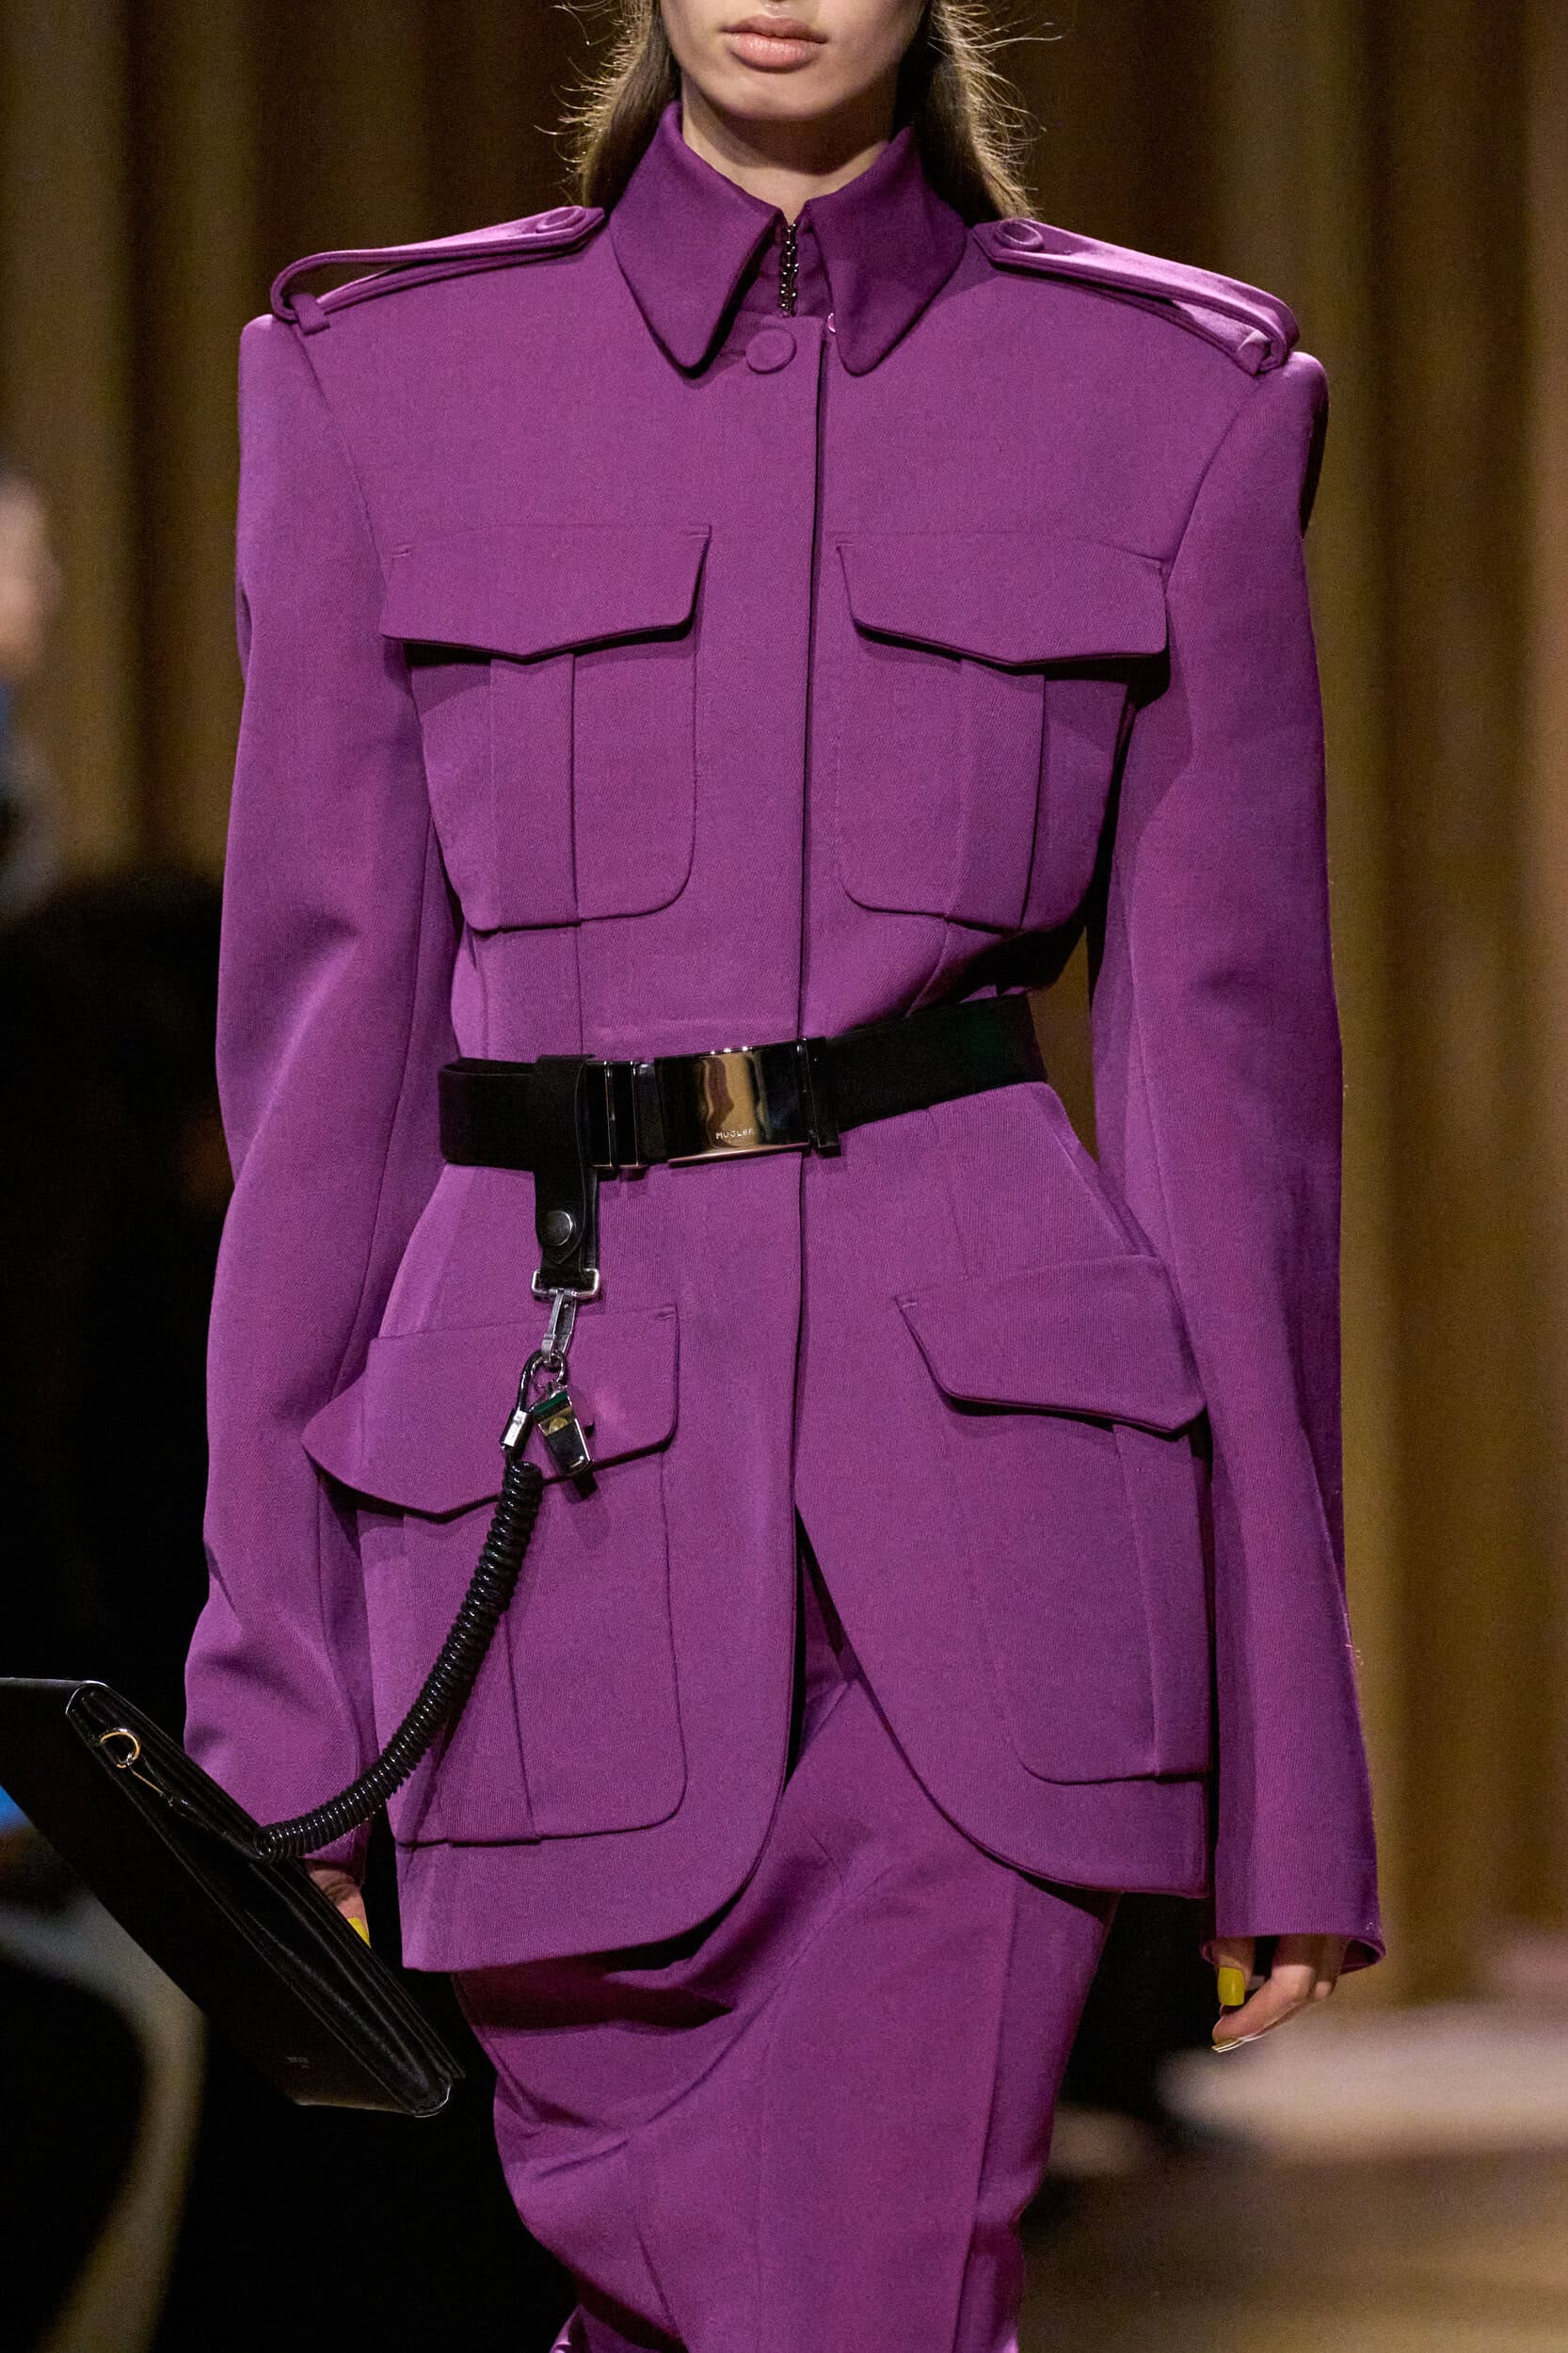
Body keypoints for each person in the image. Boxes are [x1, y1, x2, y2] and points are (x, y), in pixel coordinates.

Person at [183, 2, 1386, 2345]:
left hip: (996, 1540)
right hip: (541, 1522)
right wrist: (275, 1696)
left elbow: (1233, 1107)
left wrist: (1288, 1769)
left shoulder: (1173, 396)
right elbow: (317, 1095)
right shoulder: (376, 379)